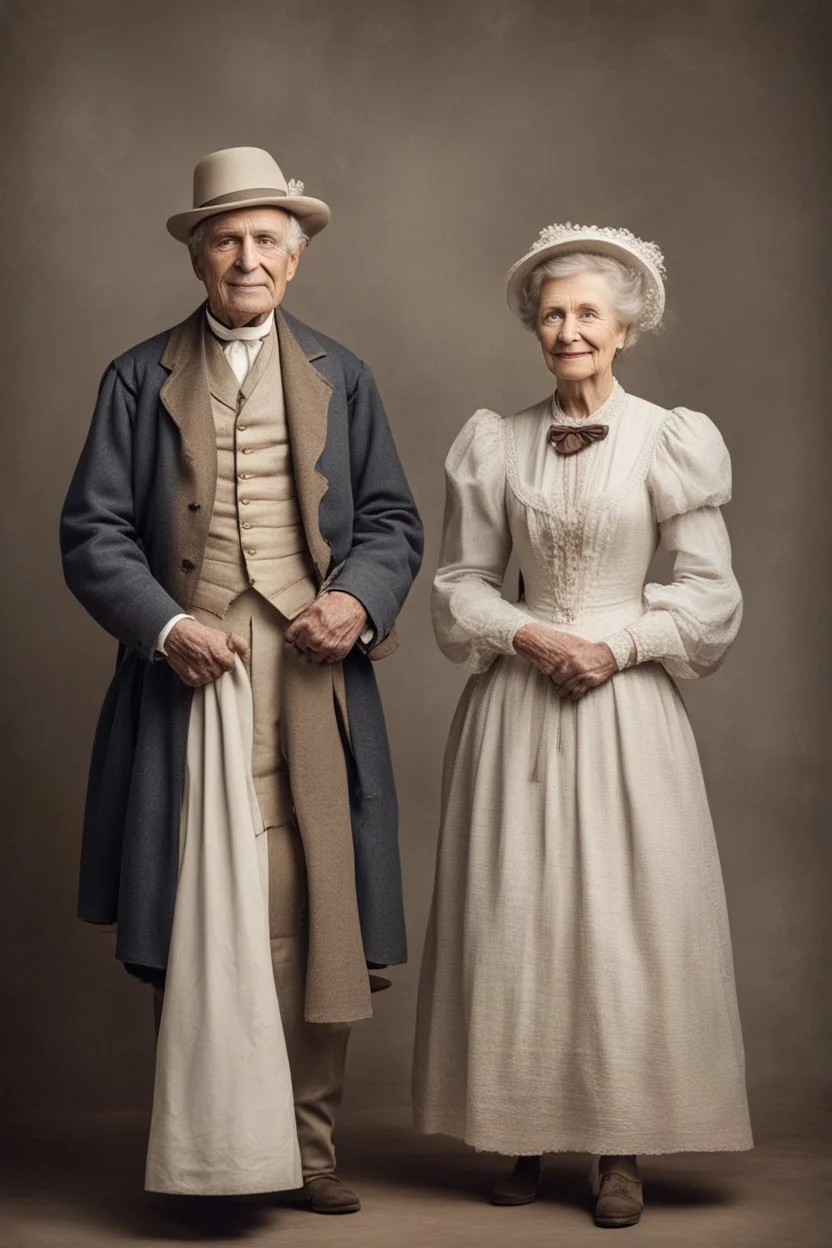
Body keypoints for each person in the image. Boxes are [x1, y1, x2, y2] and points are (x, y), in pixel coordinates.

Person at [60, 146, 423, 1213]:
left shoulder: (342, 375)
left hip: (311, 678)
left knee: (312, 909)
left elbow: (394, 524)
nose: (247, 257)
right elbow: (92, 535)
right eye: (226, 238)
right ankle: (210, 1143)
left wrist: (354, 600)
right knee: (192, 905)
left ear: (296, 258)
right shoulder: (136, 376)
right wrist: (167, 626)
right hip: (186, 673)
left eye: (267, 239)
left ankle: (308, 1152)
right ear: (198, 254)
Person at [412, 223, 752, 1228]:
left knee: (620, 917)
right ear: (535, 324)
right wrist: (528, 638)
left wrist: (616, 648)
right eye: (553, 313)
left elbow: (709, 593)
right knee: (514, 908)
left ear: (625, 327)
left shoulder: (668, 437)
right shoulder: (494, 439)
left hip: (624, 702)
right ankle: (516, 1130)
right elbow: (459, 585)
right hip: (518, 699)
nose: (569, 329)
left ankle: (619, 1148)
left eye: (587, 313)